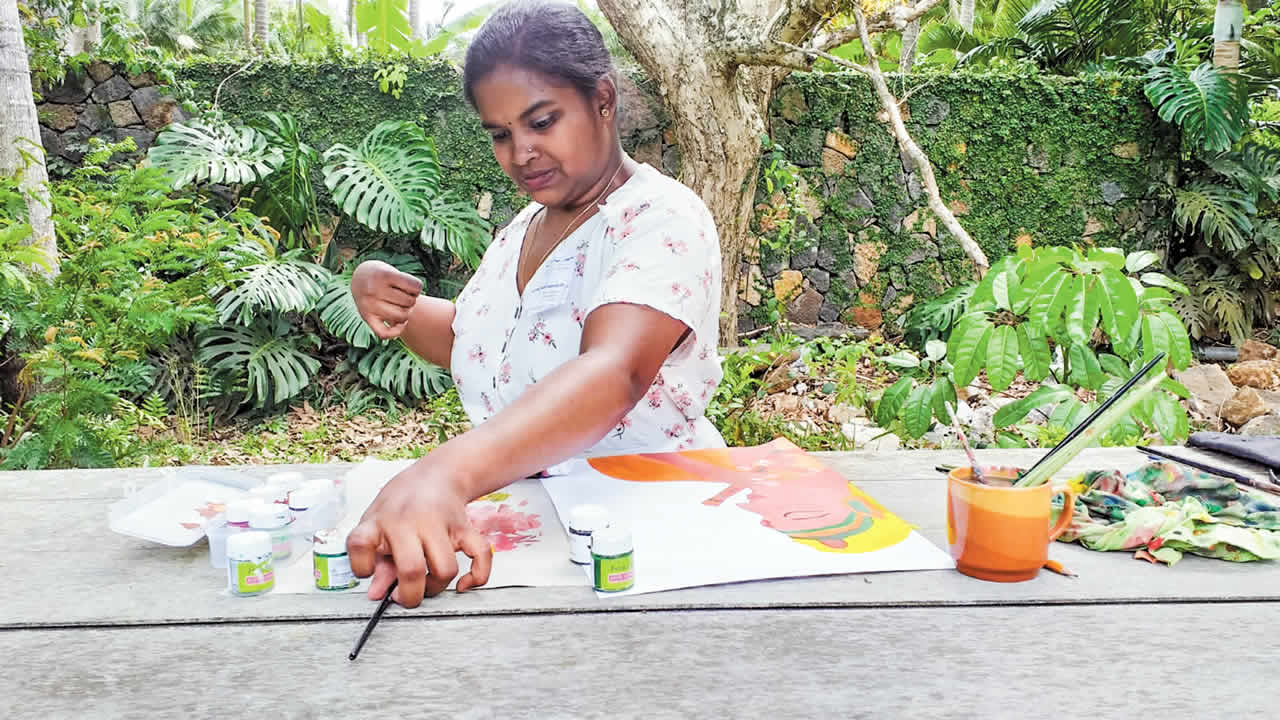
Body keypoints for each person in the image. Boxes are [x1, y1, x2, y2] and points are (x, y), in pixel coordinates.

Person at [344, 0, 725, 607]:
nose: (520, 152)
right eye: (500, 134)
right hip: (533, 536)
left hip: (648, 541)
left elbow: (615, 371)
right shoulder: (525, 227)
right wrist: (394, 302)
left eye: (542, 122)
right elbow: (474, 341)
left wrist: (443, 474)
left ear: (603, 100)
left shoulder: (659, 220)